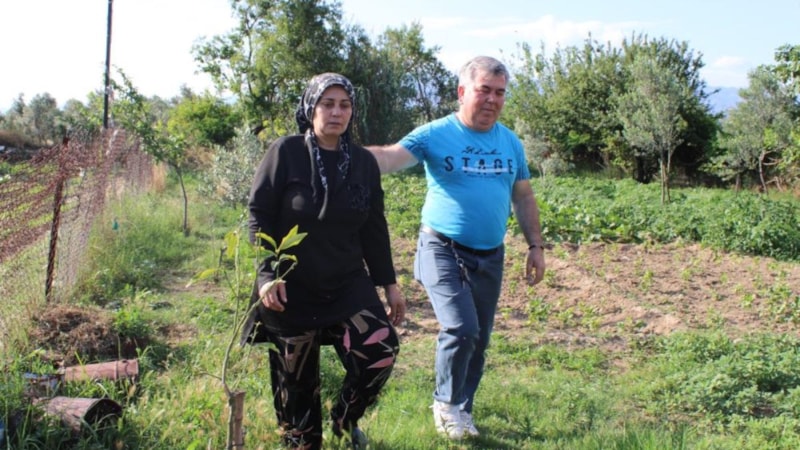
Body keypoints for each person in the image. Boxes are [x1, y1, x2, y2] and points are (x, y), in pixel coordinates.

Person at [367, 55, 546, 440]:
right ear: (463, 92)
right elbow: (390, 157)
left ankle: (463, 408)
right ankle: (445, 403)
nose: (492, 100)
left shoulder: (510, 143)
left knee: (479, 338)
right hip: (442, 247)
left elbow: (523, 195)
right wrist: (337, 154)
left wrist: (535, 245)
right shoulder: (435, 134)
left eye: (500, 93)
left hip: (491, 254)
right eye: (484, 90)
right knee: (462, 327)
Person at [241, 72, 406, 450]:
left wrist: (390, 284)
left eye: (344, 105)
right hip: (289, 287)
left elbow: (374, 228)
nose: (336, 112)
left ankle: (345, 421)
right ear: (310, 108)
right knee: (298, 404)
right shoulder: (286, 153)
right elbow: (259, 215)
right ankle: (305, 439)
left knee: (379, 353)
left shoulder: (363, 163)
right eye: (327, 104)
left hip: (347, 282)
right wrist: (267, 274)